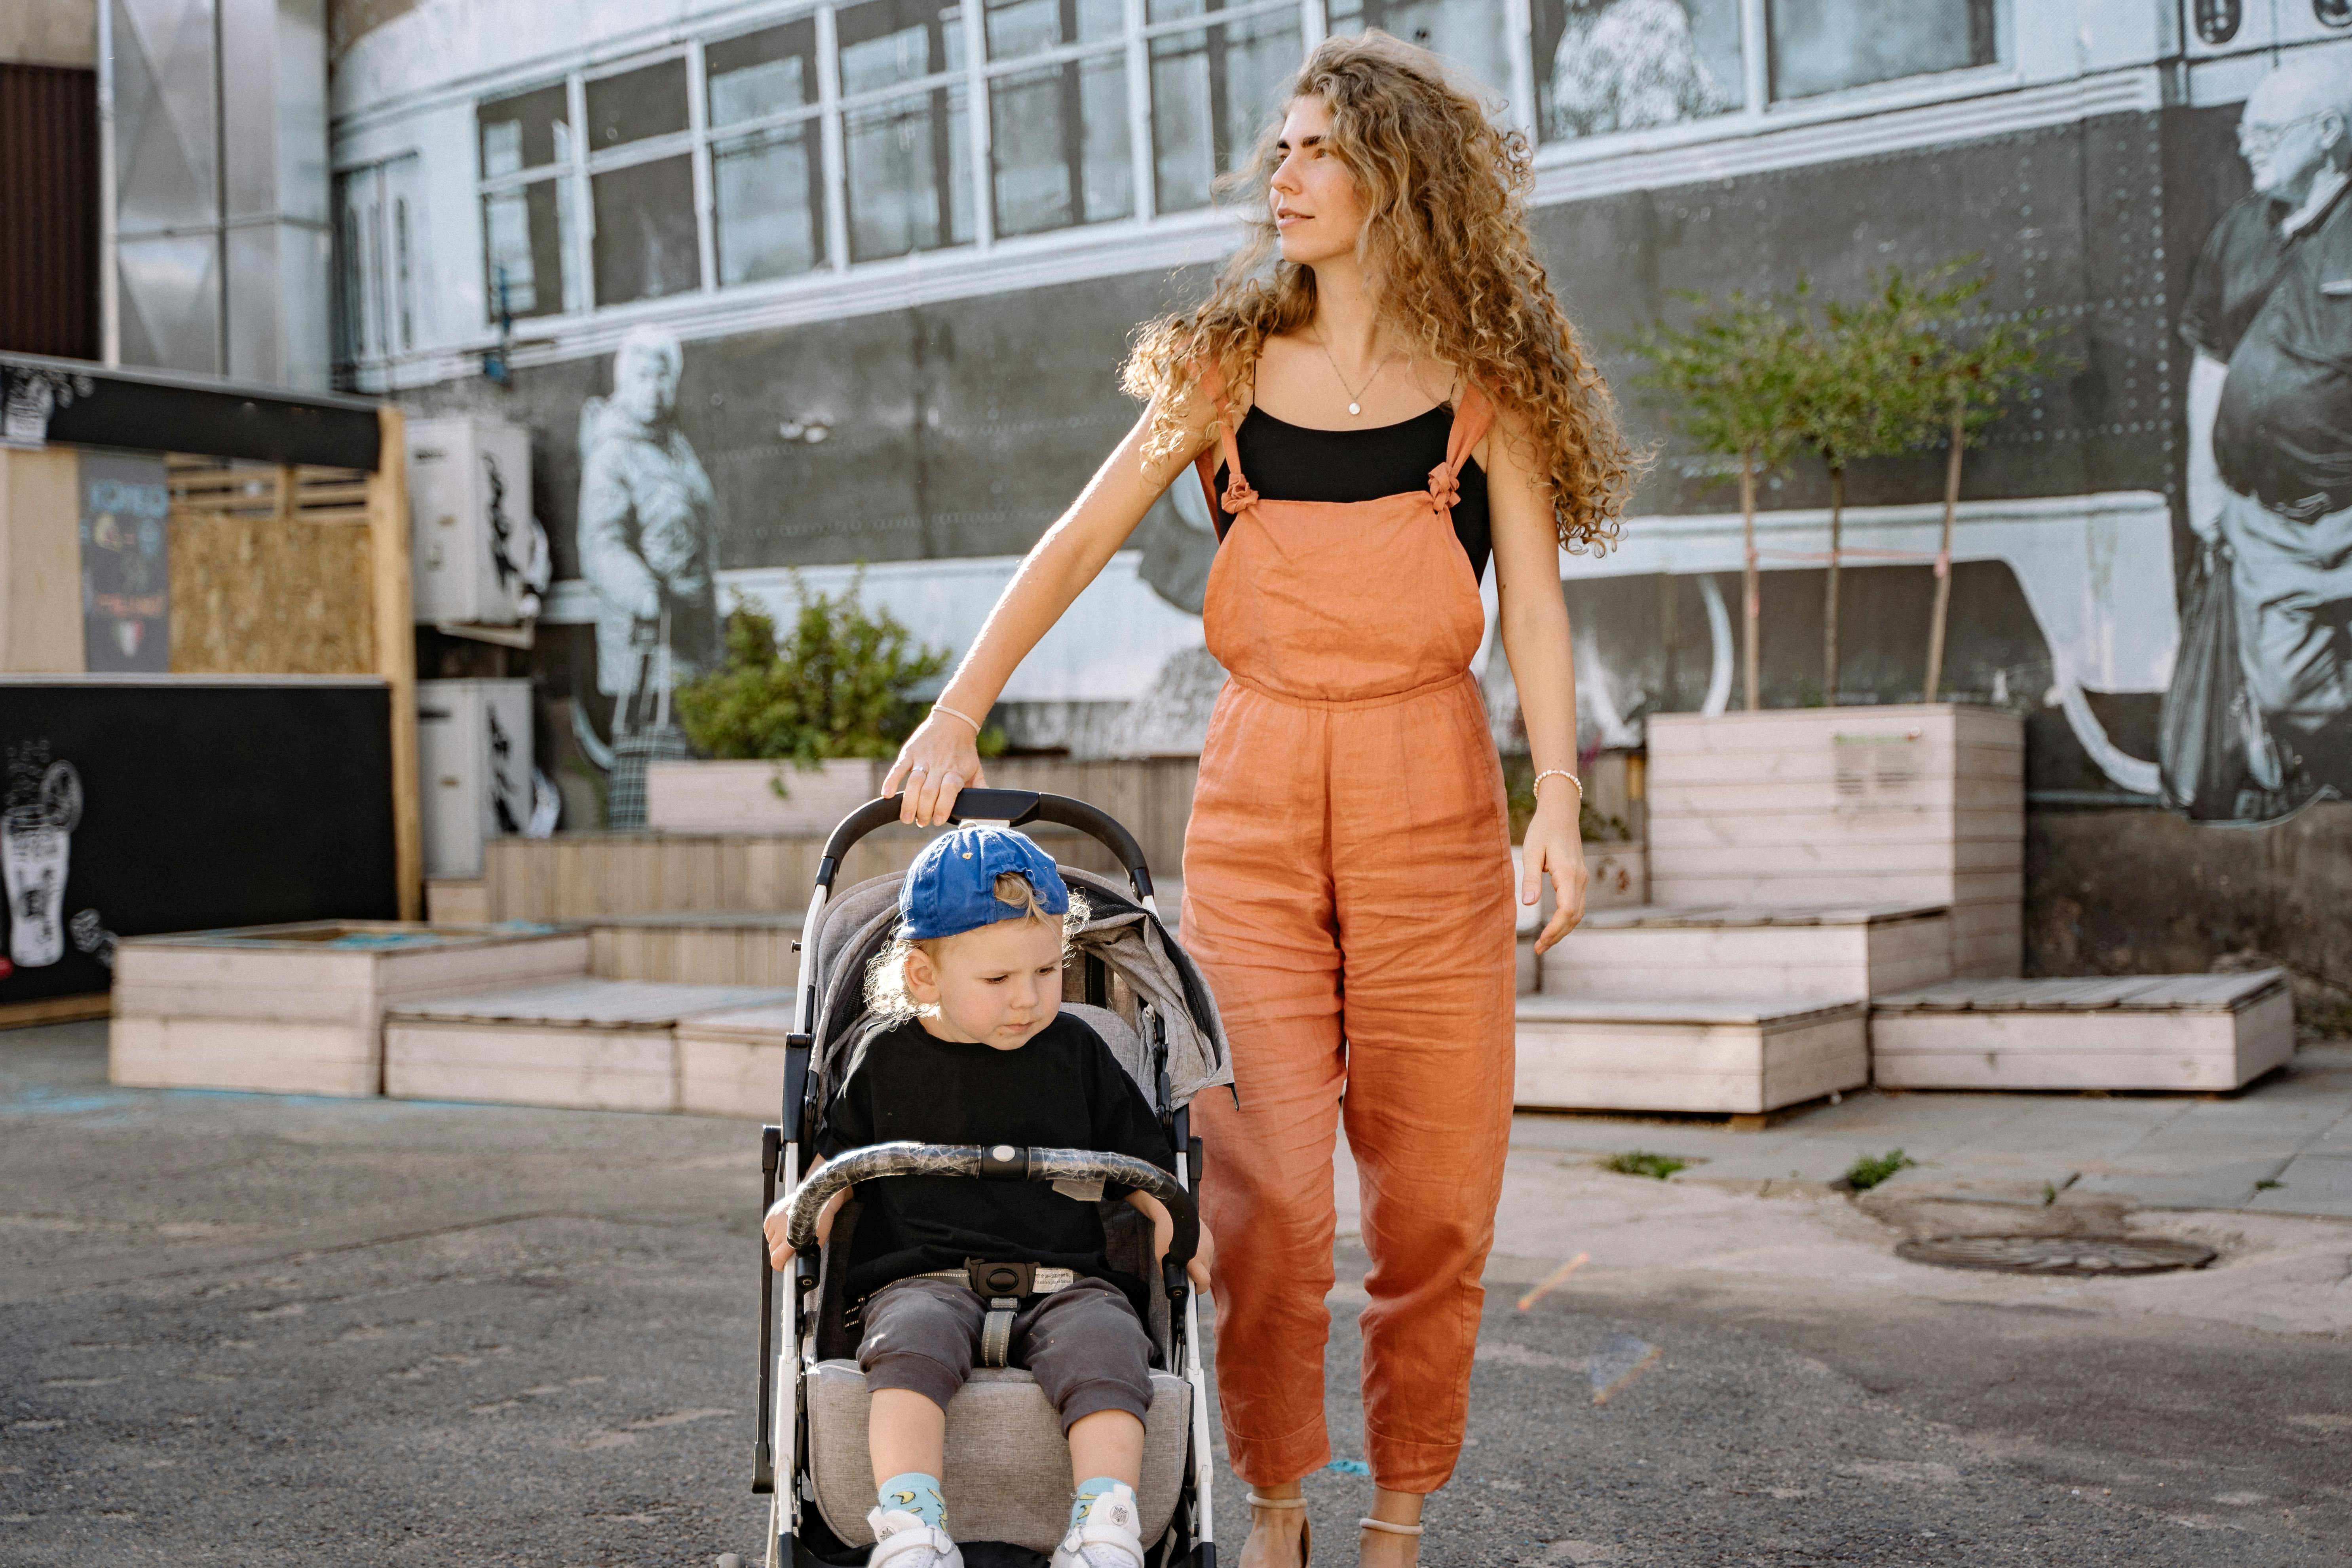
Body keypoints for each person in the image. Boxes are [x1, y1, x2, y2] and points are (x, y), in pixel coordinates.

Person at [881, 32, 1632, 1567]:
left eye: (1314, 152)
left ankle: (1402, 1508)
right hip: (1258, 797)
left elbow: (1539, 614)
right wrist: (960, 706)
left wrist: (1554, 803)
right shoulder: (1220, 370)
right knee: (1266, 1203)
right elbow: (1081, 540)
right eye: (1279, 150)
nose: (1279, 179)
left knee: (1434, 1206)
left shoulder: (1486, 394)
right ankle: (1276, 1498)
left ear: (1397, 180)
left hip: (1434, 797)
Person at [762, 826, 1216, 1568]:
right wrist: (805, 1201)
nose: (1030, 998)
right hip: (921, 1278)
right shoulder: (887, 1058)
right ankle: (911, 1525)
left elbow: (1142, 1160)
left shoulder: (1079, 1051)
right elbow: (838, 1159)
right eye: (999, 981)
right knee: (903, 1345)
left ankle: (1105, 1525)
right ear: (923, 976)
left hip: (1070, 1280)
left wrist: (1178, 1218)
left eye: (1045, 970)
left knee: (1110, 1347)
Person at [2181, 55, 2352, 810]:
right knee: (2284, 688)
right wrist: (2202, 484)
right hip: (2267, 521)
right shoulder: (2238, 233)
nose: (2248, 145)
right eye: (2243, 131)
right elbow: (2210, 361)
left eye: (2268, 132)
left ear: (2328, 134)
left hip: (2346, 507)